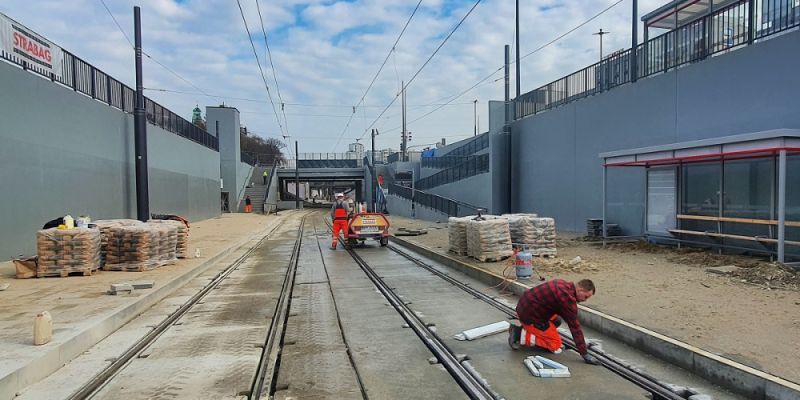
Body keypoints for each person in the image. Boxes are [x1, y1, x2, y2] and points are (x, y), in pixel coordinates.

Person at [508, 278, 601, 365]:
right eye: (585, 297)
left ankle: (534, 330)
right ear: (580, 290)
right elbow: (575, 327)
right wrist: (584, 354)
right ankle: (518, 334)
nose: (585, 300)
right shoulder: (567, 299)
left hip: (524, 307)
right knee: (555, 344)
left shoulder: (563, 283)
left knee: (557, 320)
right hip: (530, 317)